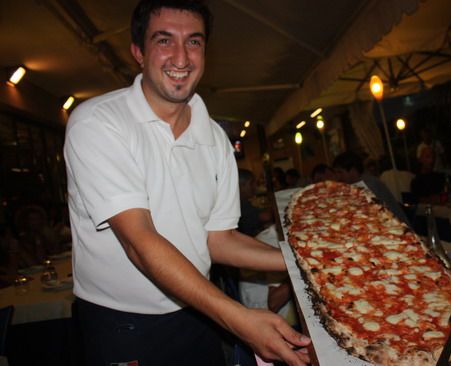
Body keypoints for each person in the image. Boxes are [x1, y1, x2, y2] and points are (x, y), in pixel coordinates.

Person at [63, 1, 310, 365]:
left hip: (198, 312)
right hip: (125, 326)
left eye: (193, 42)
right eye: (164, 40)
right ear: (138, 52)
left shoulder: (214, 138)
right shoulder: (98, 123)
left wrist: (305, 261)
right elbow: (139, 241)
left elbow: (218, 240)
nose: (181, 58)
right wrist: (237, 317)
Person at [332, 151, 411, 225]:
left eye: (340, 172)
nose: (337, 176)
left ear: (353, 171)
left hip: (397, 226)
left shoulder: (370, 183)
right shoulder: (355, 183)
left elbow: (362, 209)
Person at [238, 168, 273, 237]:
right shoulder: (240, 204)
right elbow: (265, 216)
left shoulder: (243, 201)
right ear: (240, 186)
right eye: (251, 183)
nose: (256, 186)